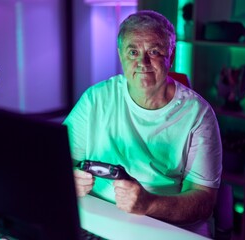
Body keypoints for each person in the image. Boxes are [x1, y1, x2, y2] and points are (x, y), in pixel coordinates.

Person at [63, 10, 222, 238]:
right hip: (97, 220)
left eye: (154, 52)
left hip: (160, 226)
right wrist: (70, 179)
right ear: (121, 56)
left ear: (171, 56)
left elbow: (204, 200)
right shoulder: (96, 99)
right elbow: (59, 162)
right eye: (133, 52)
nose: (142, 62)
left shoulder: (198, 115)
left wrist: (149, 204)